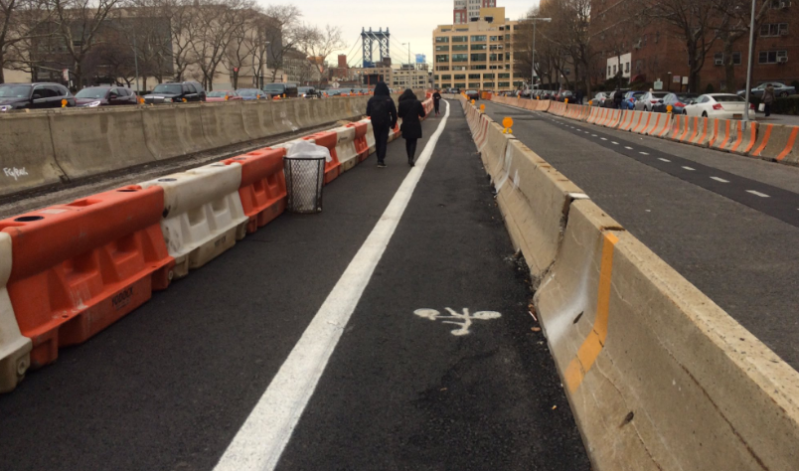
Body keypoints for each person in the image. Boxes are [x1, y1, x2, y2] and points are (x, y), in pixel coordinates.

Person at [366, 81, 397, 168]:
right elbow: (394, 113)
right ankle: (381, 159)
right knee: (383, 140)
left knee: (377, 140)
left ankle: (378, 158)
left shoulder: (372, 100)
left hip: (375, 122)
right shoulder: (388, 99)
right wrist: (393, 123)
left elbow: (368, 113)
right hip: (385, 122)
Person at [398, 89, 426, 166]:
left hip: (406, 124)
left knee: (408, 141)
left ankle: (409, 157)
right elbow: (423, 114)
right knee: (414, 141)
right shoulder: (417, 102)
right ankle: (411, 157)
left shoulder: (402, 103)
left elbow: (400, 115)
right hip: (415, 124)